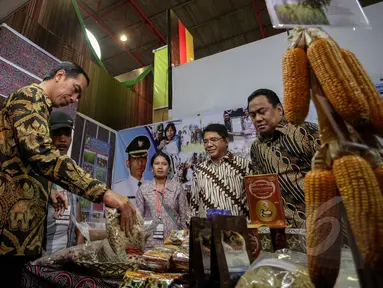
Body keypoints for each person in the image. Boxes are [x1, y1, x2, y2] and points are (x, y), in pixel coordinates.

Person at [0, 62, 136, 286]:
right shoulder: (31, 96)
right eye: (75, 90)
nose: (74, 99)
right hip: (10, 238)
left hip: (21, 237)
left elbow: (22, 162)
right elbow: (43, 155)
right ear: (60, 75)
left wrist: (49, 190)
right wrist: (103, 193)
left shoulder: (40, 106)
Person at [248, 89, 320, 229]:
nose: (257, 118)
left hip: (319, 223)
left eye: (262, 111)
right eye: (252, 115)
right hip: (283, 230)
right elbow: (262, 189)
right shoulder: (256, 148)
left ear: (279, 109)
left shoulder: (305, 131)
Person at [190, 124, 253, 217]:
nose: (209, 145)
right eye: (205, 141)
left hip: (238, 229)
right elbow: (194, 203)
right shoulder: (199, 170)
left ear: (226, 141)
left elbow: (253, 200)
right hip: (208, 229)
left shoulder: (244, 166)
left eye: (214, 140)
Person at [44, 111, 84, 255]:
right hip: (43, 251)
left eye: (66, 134)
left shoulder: (73, 167)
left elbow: (77, 203)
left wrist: (79, 238)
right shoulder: (40, 165)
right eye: (57, 133)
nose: (62, 139)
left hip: (68, 248)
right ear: (48, 134)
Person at [136, 152, 188, 248]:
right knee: (152, 262)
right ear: (152, 168)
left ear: (168, 168)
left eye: (164, 164)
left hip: (174, 239)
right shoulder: (143, 189)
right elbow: (139, 218)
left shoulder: (177, 187)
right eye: (156, 164)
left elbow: (184, 218)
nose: (160, 167)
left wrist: (184, 244)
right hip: (151, 241)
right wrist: (140, 241)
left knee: (174, 262)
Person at [113, 135, 151, 207]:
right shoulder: (117, 189)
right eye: (135, 159)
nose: (140, 163)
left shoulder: (153, 187)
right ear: (128, 163)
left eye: (143, 158)